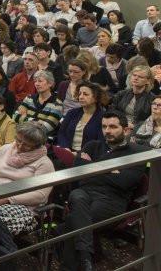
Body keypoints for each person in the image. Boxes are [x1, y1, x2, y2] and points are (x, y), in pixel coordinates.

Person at [58, 111, 148, 271]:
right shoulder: (93, 145)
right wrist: (110, 171)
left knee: (71, 224)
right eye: (104, 126)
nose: (107, 131)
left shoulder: (138, 152)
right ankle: (86, 260)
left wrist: (91, 166)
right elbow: (79, 176)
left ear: (126, 130)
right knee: (77, 196)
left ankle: (81, 260)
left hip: (111, 200)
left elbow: (124, 182)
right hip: (84, 192)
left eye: (113, 127)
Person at [0, 122, 54, 236]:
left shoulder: (44, 163)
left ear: (37, 146)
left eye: (26, 145)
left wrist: (8, 199)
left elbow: (40, 195)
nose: (20, 146)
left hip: (24, 207)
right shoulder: (5, 149)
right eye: (18, 140)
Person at [57, 81, 105, 151]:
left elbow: (100, 142)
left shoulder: (103, 117)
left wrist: (81, 153)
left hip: (88, 155)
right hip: (68, 151)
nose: (81, 97)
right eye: (80, 94)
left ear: (96, 98)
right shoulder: (72, 113)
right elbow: (61, 133)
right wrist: (65, 147)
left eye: (85, 94)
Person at [13, 70, 63, 135]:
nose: (36, 84)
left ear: (50, 83)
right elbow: (15, 117)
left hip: (42, 140)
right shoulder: (29, 98)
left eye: (40, 81)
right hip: (23, 135)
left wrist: (24, 118)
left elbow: (45, 128)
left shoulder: (57, 104)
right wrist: (38, 121)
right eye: (35, 81)